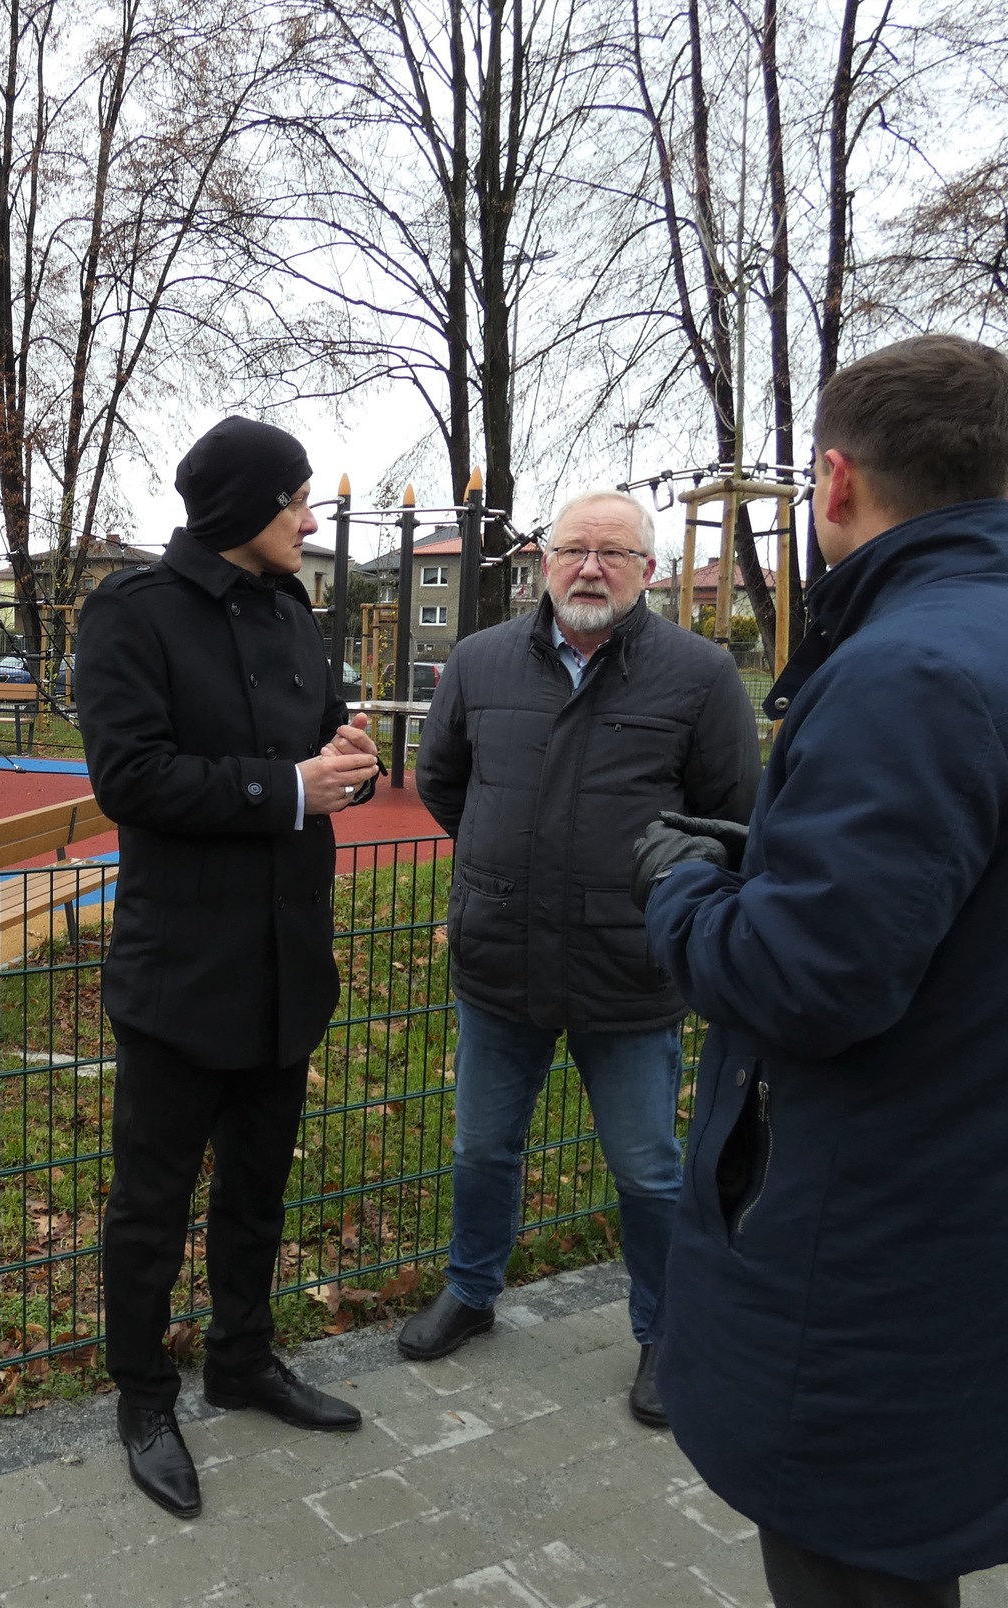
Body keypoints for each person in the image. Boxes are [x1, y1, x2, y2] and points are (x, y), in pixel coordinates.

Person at [634, 334, 1008, 1606]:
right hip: (1000, 1196)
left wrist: (679, 886)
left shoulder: (905, 670)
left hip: (879, 1251)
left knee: (853, 1569)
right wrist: (771, 861)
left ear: (831, 480)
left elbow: (805, 984)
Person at [76, 416, 383, 1520]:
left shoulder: (290, 609)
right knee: (151, 1207)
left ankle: (241, 1360)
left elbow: (315, 742)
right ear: (244, 506)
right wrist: (288, 788)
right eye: (294, 499)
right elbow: (131, 777)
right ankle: (143, 1399)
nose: (309, 518)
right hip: (181, 972)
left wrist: (347, 758)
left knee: (258, 1189)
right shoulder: (133, 613)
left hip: (287, 962)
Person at [401, 489, 760, 1426]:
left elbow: (729, 817)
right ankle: (471, 1290)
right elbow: (443, 780)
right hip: (501, 956)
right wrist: (501, 864)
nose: (590, 568)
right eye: (573, 550)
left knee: (647, 1169)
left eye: (614, 553)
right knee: (483, 1146)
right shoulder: (479, 661)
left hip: (629, 964)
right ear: (544, 561)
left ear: (649, 571)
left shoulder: (699, 674)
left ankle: (665, 1331)